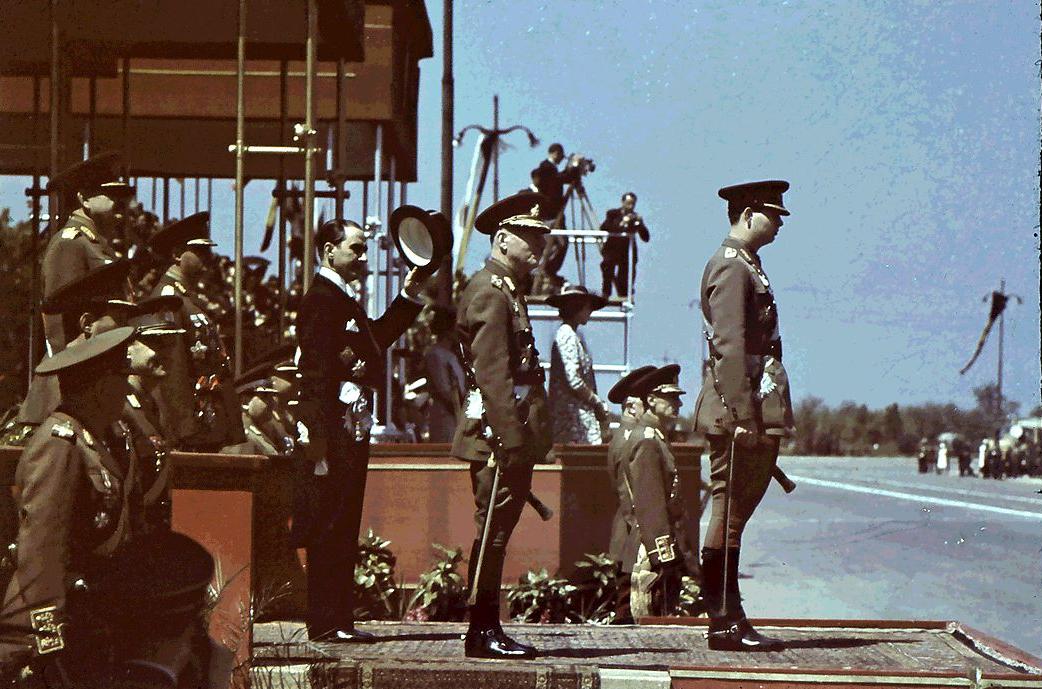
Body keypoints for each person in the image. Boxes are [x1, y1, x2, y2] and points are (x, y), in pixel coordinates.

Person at [293, 219, 426, 642]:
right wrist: (316, 437)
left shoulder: (342, 298)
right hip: (332, 430)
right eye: (356, 249)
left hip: (349, 427)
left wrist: (407, 296)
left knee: (344, 520)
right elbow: (313, 373)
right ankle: (326, 621)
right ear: (329, 251)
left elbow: (373, 340)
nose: (364, 258)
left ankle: (338, 619)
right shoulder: (321, 300)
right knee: (330, 523)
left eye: (365, 249)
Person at [0, 327, 142, 681]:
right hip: (52, 621)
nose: (127, 390)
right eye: (121, 379)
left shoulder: (94, 440)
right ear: (100, 388)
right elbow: (41, 545)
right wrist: (47, 633)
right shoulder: (60, 443)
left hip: (87, 613)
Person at [694, 180, 795, 652]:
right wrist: (743, 417)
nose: (779, 224)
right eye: (774, 215)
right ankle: (724, 621)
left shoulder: (748, 264)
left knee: (733, 513)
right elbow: (730, 348)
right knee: (729, 513)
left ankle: (728, 617)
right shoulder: (733, 267)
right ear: (749, 214)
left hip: (752, 405)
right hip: (740, 409)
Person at [452, 191, 553, 659]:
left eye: (541, 237)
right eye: (530, 236)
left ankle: (486, 627)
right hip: (496, 436)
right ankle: (482, 630)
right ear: (502, 239)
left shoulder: (508, 289)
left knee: (498, 528)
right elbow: (492, 375)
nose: (540, 245)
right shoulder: (491, 292)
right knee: (492, 527)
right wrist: (511, 439)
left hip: (510, 432)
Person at [149, 212, 245, 451]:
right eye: (199, 251)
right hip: (191, 428)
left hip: (208, 420)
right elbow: (172, 369)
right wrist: (185, 429)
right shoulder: (168, 300)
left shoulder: (189, 300)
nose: (208, 258)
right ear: (177, 254)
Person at [623, 365, 700, 619]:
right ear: (651, 400)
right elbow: (650, 505)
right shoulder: (647, 440)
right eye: (671, 397)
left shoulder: (656, 436)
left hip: (660, 543)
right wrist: (664, 556)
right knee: (653, 617)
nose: (678, 403)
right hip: (652, 550)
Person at [40, 152, 135, 353]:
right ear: (84, 199)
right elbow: (57, 321)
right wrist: (68, 364)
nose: (119, 202)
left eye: (121, 196)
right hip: (77, 364)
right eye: (110, 194)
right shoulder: (69, 244)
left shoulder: (96, 243)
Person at [604, 365, 655, 623]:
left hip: (628, 533)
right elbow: (629, 494)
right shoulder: (630, 440)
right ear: (632, 407)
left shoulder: (627, 436)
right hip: (632, 533)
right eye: (648, 403)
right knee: (629, 610)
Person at [547, 285, 610, 444]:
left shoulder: (573, 335)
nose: (590, 311)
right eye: (587, 307)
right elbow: (573, 379)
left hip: (576, 417)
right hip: (572, 418)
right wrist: (596, 401)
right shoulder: (567, 335)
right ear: (576, 308)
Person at [423, 306, 465, 442]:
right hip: (444, 416)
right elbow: (444, 389)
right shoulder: (435, 354)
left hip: (456, 414)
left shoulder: (452, 355)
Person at [599, 192, 650, 299]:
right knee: (607, 268)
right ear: (623, 202)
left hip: (626, 252)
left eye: (633, 204)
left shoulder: (635, 218)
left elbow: (646, 238)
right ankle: (606, 293)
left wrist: (640, 225)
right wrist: (622, 223)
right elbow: (605, 227)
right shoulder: (613, 214)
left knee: (625, 275)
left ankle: (624, 294)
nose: (630, 206)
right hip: (612, 249)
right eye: (628, 203)